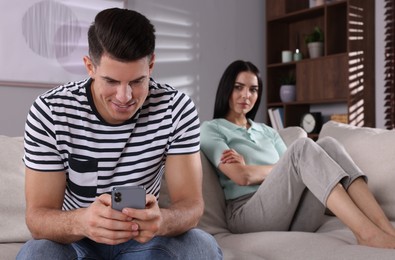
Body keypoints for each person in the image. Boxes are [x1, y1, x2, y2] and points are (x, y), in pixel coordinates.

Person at [17, 8, 222, 260]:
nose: (124, 97)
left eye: (137, 81)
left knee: (201, 245)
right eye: (111, 81)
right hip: (76, 243)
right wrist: (82, 222)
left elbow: (191, 205)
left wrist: (162, 220)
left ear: (152, 65)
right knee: (37, 252)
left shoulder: (175, 108)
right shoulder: (50, 110)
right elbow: (37, 218)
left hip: (144, 244)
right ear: (89, 67)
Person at [200, 59, 395, 249]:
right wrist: (259, 170)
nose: (246, 95)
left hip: (291, 216)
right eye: (238, 87)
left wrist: (254, 168)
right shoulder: (211, 129)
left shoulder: (267, 131)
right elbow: (242, 176)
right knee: (302, 148)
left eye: (253, 89)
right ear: (226, 88)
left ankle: (386, 229)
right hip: (246, 214)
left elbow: (294, 170)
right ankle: (366, 233)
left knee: (329, 144)